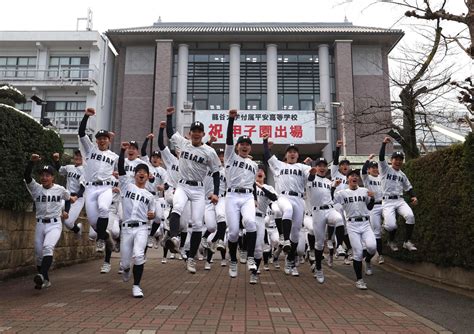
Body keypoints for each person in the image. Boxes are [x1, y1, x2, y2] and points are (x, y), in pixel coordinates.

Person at [166, 107, 221, 274]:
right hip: (182, 185)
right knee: (177, 206)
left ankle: (191, 258)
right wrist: (169, 117)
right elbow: (170, 133)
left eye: (199, 131)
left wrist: (216, 192)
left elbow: (217, 172)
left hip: (198, 189)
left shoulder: (210, 152)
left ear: (203, 134)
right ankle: (174, 237)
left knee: (197, 224)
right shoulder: (184, 143)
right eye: (194, 131)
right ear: (189, 133)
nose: (196, 134)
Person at [263, 134, 311, 276]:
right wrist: (265, 142)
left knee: (296, 233)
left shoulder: (303, 167)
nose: (292, 153)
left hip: (299, 199)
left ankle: (290, 260)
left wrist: (313, 171)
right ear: (286, 154)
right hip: (283, 197)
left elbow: (312, 176)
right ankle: (283, 237)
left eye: (294, 151)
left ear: (298, 155)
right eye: (289, 151)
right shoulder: (279, 164)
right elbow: (267, 155)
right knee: (287, 210)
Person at [78, 107, 119, 274]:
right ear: (96, 141)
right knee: (95, 224)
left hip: (106, 188)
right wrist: (86, 117)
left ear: (109, 140)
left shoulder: (114, 156)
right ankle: (104, 238)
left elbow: (122, 173)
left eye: (105, 138)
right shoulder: (90, 150)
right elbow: (81, 133)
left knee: (104, 208)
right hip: (90, 189)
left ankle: (102, 241)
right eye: (99, 138)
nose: (102, 140)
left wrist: (118, 184)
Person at [24, 154, 71, 290]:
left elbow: (68, 198)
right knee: (39, 254)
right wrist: (31, 163)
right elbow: (27, 177)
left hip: (55, 224)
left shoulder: (59, 189)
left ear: (53, 177)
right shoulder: (36, 188)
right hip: (40, 224)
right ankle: (45, 279)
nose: (44, 177)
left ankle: (42, 276)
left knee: (48, 247)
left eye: (47, 175)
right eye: (42, 175)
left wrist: (66, 210)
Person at [224, 109, 259, 280]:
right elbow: (229, 140)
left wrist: (256, 199)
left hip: (247, 197)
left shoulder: (254, 164)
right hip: (231, 196)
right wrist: (231, 120)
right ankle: (232, 260)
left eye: (247, 144)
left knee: (251, 223)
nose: (245, 146)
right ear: (237, 147)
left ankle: (250, 257)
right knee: (233, 233)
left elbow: (252, 183)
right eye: (242, 144)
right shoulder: (230, 157)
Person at [118, 142, 155, 298]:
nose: (141, 173)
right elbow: (120, 168)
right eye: (138, 171)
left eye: (144, 172)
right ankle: (126, 269)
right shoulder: (127, 186)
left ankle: (136, 286)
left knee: (139, 255)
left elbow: (151, 213)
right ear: (134, 175)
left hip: (141, 228)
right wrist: (122, 151)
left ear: (148, 176)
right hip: (126, 228)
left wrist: (151, 215)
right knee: (126, 263)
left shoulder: (150, 196)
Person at [334, 169, 376, 289]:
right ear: (348, 179)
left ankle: (367, 260)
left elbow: (369, 207)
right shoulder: (342, 193)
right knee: (357, 253)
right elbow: (331, 199)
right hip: (352, 225)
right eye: (352, 175)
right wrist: (333, 187)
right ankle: (359, 280)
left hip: (365, 223)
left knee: (372, 247)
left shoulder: (364, 191)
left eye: (356, 175)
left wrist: (372, 199)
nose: (354, 177)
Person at [307, 157, 344, 283]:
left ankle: (339, 246)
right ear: (316, 167)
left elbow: (330, 195)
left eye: (324, 165)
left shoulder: (328, 181)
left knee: (339, 219)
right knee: (319, 243)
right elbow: (310, 179)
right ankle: (318, 268)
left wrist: (334, 187)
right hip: (317, 212)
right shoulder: (311, 178)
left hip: (329, 209)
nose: (322, 168)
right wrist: (311, 172)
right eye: (319, 165)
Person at [379, 137, 418, 251]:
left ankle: (407, 242)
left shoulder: (402, 175)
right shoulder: (385, 169)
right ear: (391, 160)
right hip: (387, 201)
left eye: (400, 159)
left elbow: (409, 188)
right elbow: (381, 158)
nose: (398, 161)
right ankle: (389, 236)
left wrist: (413, 196)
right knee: (391, 226)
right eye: (396, 159)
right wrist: (383, 144)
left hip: (399, 200)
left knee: (410, 217)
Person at [254, 165, 278, 284]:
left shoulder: (269, 187)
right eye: (257, 170)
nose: (260, 172)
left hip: (261, 218)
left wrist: (261, 187)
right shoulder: (249, 184)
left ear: (264, 175)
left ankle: (255, 270)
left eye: (262, 171)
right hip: (249, 217)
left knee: (259, 248)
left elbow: (274, 198)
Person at [52, 150, 84, 239]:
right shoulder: (69, 167)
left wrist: (76, 197)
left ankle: (77, 229)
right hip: (67, 196)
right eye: (76, 155)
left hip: (78, 198)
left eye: (80, 156)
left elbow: (83, 188)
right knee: (55, 207)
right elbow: (59, 169)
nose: (77, 158)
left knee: (68, 223)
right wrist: (56, 160)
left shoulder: (85, 170)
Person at [331, 139, 352, 264]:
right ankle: (338, 249)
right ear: (339, 167)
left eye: (347, 165)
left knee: (345, 230)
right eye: (343, 164)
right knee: (337, 228)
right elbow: (334, 161)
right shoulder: (335, 174)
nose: (345, 166)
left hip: (346, 206)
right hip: (335, 204)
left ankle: (345, 252)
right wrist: (338, 148)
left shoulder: (350, 178)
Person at [361, 154, 384, 264]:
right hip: (373, 207)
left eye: (376, 167)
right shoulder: (367, 179)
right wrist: (368, 159)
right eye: (372, 167)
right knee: (377, 232)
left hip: (384, 204)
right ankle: (380, 255)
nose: (375, 169)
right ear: (369, 170)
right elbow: (363, 171)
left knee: (391, 223)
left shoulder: (382, 178)